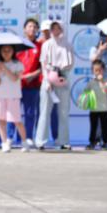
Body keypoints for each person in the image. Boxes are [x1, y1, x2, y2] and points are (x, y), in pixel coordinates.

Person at [35, 20, 73, 151]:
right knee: (44, 111)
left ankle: (63, 141)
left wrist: (61, 73)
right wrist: (47, 79)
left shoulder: (67, 44)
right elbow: (43, 63)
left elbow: (70, 64)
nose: (56, 31)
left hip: (63, 80)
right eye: (53, 29)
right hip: (48, 80)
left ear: (62, 29)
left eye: (58, 28)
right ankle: (40, 141)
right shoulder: (46, 44)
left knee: (63, 112)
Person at [0, 44, 29, 152]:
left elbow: (14, 78)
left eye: (9, 50)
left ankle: (24, 142)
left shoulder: (18, 64)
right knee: (1, 120)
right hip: (0, 96)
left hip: (13, 96)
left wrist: (4, 68)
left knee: (16, 120)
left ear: (13, 51)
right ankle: (4, 143)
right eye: (4, 50)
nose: (6, 52)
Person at [15, 18, 43, 140]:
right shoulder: (17, 45)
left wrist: (33, 75)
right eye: (30, 26)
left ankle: (28, 138)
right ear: (24, 29)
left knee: (30, 114)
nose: (32, 29)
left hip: (33, 85)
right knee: (13, 113)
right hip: (16, 84)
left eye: (34, 27)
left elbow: (43, 67)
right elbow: (11, 62)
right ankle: (10, 138)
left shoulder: (40, 46)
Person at [84, 59, 107, 149]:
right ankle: (92, 142)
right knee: (93, 127)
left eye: (100, 70)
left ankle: (106, 142)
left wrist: (101, 81)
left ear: (103, 70)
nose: (98, 72)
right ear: (93, 71)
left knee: (105, 127)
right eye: (96, 70)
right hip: (93, 109)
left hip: (104, 109)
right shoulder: (91, 82)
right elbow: (86, 93)